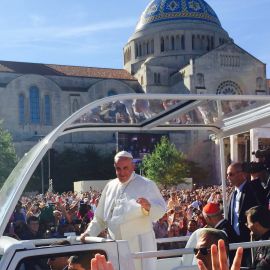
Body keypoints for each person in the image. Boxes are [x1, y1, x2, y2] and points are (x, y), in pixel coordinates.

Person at [80, 150, 166, 270]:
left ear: (133, 166)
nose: (122, 172)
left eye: (125, 168)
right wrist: (89, 233)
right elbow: (99, 218)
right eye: (118, 168)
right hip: (114, 246)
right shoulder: (110, 186)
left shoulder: (146, 184)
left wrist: (149, 207)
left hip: (139, 246)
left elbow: (162, 209)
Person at [227, 162, 267, 242]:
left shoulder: (253, 190)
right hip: (235, 240)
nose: (228, 177)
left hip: (251, 240)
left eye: (231, 174)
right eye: (227, 174)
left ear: (242, 174)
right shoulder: (232, 194)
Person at [245, 205, 270, 270]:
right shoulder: (260, 240)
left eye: (248, 223)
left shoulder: (267, 242)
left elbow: (263, 266)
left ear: (256, 225)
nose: (248, 226)